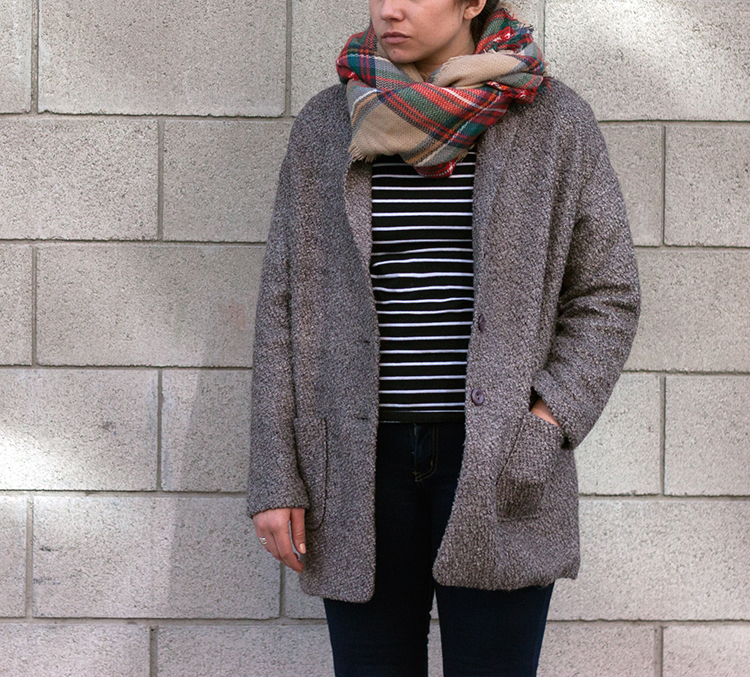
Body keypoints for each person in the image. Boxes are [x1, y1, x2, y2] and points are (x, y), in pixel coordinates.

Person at [247, 0, 641, 674]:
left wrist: (544, 425)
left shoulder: (551, 120)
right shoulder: (328, 123)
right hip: (357, 465)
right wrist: (276, 474)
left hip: (497, 458)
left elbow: (608, 293)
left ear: (472, 3)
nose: (388, 9)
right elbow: (284, 305)